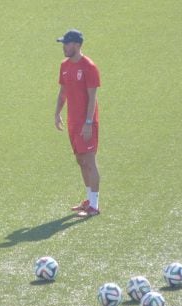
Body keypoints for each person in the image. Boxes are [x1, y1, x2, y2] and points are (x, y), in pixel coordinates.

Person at [55, 29, 101, 217]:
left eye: (66, 43)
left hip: (86, 123)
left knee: (89, 160)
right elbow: (63, 91)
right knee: (80, 160)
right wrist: (57, 113)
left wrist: (89, 122)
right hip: (72, 122)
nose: (63, 47)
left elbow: (93, 98)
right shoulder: (64, 65)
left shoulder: (89, 67)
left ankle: (95, 205)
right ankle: (88, 200)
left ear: (76, 44)